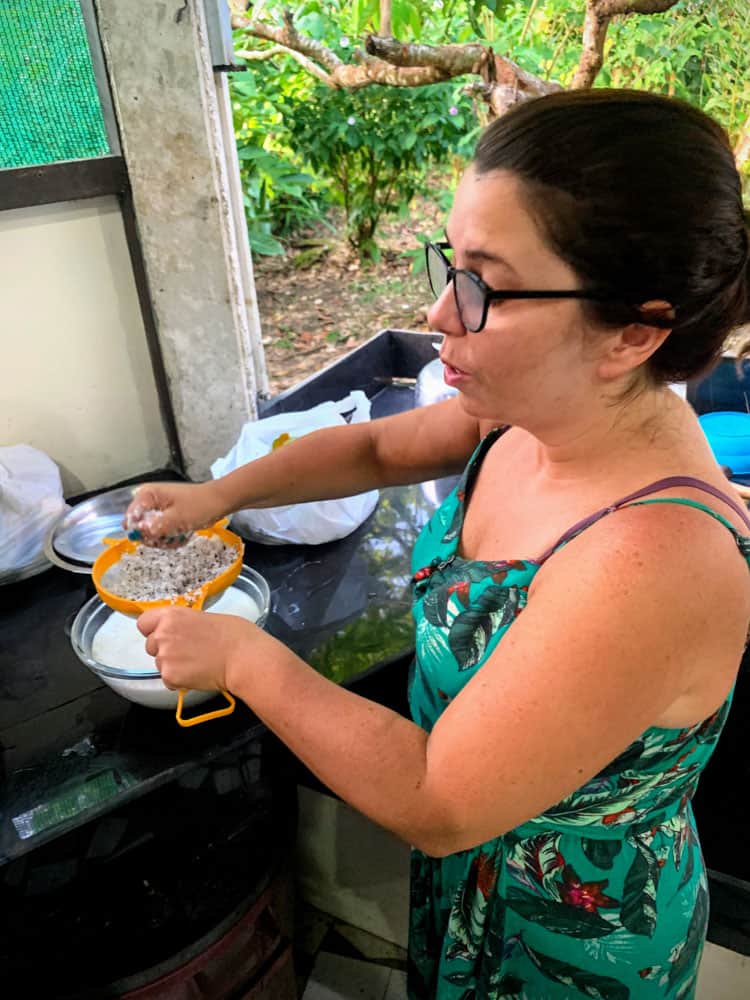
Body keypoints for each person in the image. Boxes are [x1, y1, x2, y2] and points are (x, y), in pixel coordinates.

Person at [127, 89, 750, 998]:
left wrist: (241, 657)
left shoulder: (652, 561)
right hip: (475, 882)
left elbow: (439, 800)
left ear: (632, 331)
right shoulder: (530, 416)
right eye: (451, 267)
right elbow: (378, 446)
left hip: (573, 940)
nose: (439, 313)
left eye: (484, 286)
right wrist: (215, 495)